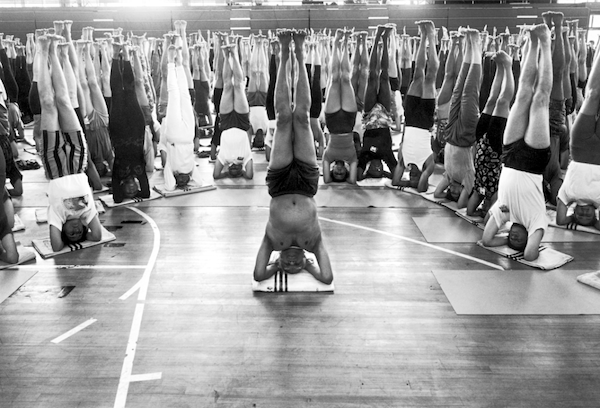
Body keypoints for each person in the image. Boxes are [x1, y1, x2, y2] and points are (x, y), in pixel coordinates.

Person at [254, 29, 333, 285]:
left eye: (285, 265)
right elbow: (327, 277)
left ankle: (283, 52)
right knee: (301, 117)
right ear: (304, 262)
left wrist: (274, 266)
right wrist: (309, 268)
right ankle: (299, 53)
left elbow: (258, 274)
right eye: (294, 266)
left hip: (279, 184)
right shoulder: (313, 243)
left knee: (283, 118)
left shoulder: (273, 241)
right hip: (307, 182)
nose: (290, 262)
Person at [480, 24, 552, 261]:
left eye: (511, 239)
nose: (514, 239)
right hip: (533, 161)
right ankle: (545, 42)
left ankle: (532, 44)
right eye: (517, 241)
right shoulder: (537, 220)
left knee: (522, 95)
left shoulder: (503, 212)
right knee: (540, 99)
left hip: (509, 156)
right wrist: (522, 248)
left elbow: (487, 240)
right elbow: (530, 255)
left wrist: (503, 240)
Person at [37, 34, 103, 252]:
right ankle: (55, 51)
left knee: (48, 103)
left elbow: (56, 247)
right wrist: (85, 228)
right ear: (84, 228)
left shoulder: (57, 216)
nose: (75, 234)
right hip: (77, 161)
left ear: (63, 230)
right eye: (79, 234)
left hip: (54, 166)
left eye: (70, 235)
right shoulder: (86, 212)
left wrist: (66, 241)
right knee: (64, 102)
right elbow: (97, 236)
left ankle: (44, 50)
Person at [555, 35, 600, 231]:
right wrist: (593, 223)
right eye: (586, 216)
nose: (583, 214)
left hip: (580, 148)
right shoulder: (598, 200)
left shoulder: (568, 194)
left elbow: (560, 220)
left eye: (579, 215)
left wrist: (573, 219)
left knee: (593, 95)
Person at [433, 28, 481, 208]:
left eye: (450, 192)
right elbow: (460, 205)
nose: (452, 191)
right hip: (465, 137)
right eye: (456, 193)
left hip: (450, 132)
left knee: (459, 87)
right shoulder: (468, 180)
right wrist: (462, 192)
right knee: (470, 91)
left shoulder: (448, 176)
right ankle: (475, 44)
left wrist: (446, 194)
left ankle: (468, 43)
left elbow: (437, 194)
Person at [391, 20, 439, 191]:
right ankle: (431, 37)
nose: (412, 177)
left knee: (418, 75)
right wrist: (415, 184)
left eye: (410, 178)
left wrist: (405, 184)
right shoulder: (428, 164)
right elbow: (421, 189)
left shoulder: (404, 161)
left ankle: (423, 36)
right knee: (430, 76)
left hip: (410, 119)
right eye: (414, 178)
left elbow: (395, 182)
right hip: (425, 121)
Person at [466, 50, 514, 217]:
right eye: (488, 209)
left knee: (491, 100)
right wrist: (488, 212)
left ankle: (500, 67)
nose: (486, 207)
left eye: (484, 208)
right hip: (495, 147)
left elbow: (469, 211)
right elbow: (489, 219)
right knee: (502, 102)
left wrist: (478, 209)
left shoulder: (479, 192)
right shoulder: (495, 194)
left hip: (480, 142)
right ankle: (508, 66)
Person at [108, 42, 151, 203]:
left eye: (129, 191)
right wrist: (139, 194)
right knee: (131, 90)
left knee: (117, 93)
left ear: (122, 188)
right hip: (135, 127)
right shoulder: (139, 171)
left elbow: (117, 199)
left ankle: (114, 54)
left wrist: (123, 193)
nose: (132, 189)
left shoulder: (118, 173)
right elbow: (146, 194)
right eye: (135, 190)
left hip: (118, 129)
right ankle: (125, 55)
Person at [159, 43, 203, 190]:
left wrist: (178, 183)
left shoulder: (171, 169)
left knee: (174, 95)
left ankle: (171, 62)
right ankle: (179, 64)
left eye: (181, 182)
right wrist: (189, 182)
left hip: (174, 137)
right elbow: (199, 183)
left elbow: (170, 187)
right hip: (188, 135)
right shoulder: (192, 169)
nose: (184, 181)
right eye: (186, 181)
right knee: (185, 95)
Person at [357, 25, 397, 181]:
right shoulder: (387, 156)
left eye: (374, 170)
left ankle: (377, 36)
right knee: (384, 76)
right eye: (379, 169)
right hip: (385, 115)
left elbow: (358, 177)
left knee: (372, 75)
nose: (377, 168)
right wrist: (386, 174)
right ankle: (385, 39)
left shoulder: (365, 156)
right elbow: (395, 174)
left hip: (369, 114)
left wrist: (367, 174)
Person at [213, 42, 254, 180]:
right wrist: (241, 172)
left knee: (227, 85)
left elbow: (215, 175)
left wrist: (226, 174)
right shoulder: (246, 158)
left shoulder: (224, 158)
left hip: (225, 123)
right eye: (238, 170)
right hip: (242, 123)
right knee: (238, 85)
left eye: (233, 170)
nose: (236, 168)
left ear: (228, 168)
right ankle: (234, 53)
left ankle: (226, 54)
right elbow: (249, 175)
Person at [322, 28, 358, 184]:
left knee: (335, 78)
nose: (339, 171)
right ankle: (347, 42)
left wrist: (331, 178)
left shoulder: (328, 156)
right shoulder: (351, 157)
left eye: (336, 173)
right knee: (346, 78)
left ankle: (336, 44)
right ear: (346, 170)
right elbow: (352, 181)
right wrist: (348, 177)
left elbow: (327, 181)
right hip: (348, 121)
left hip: (333, 121)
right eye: (341, 173)